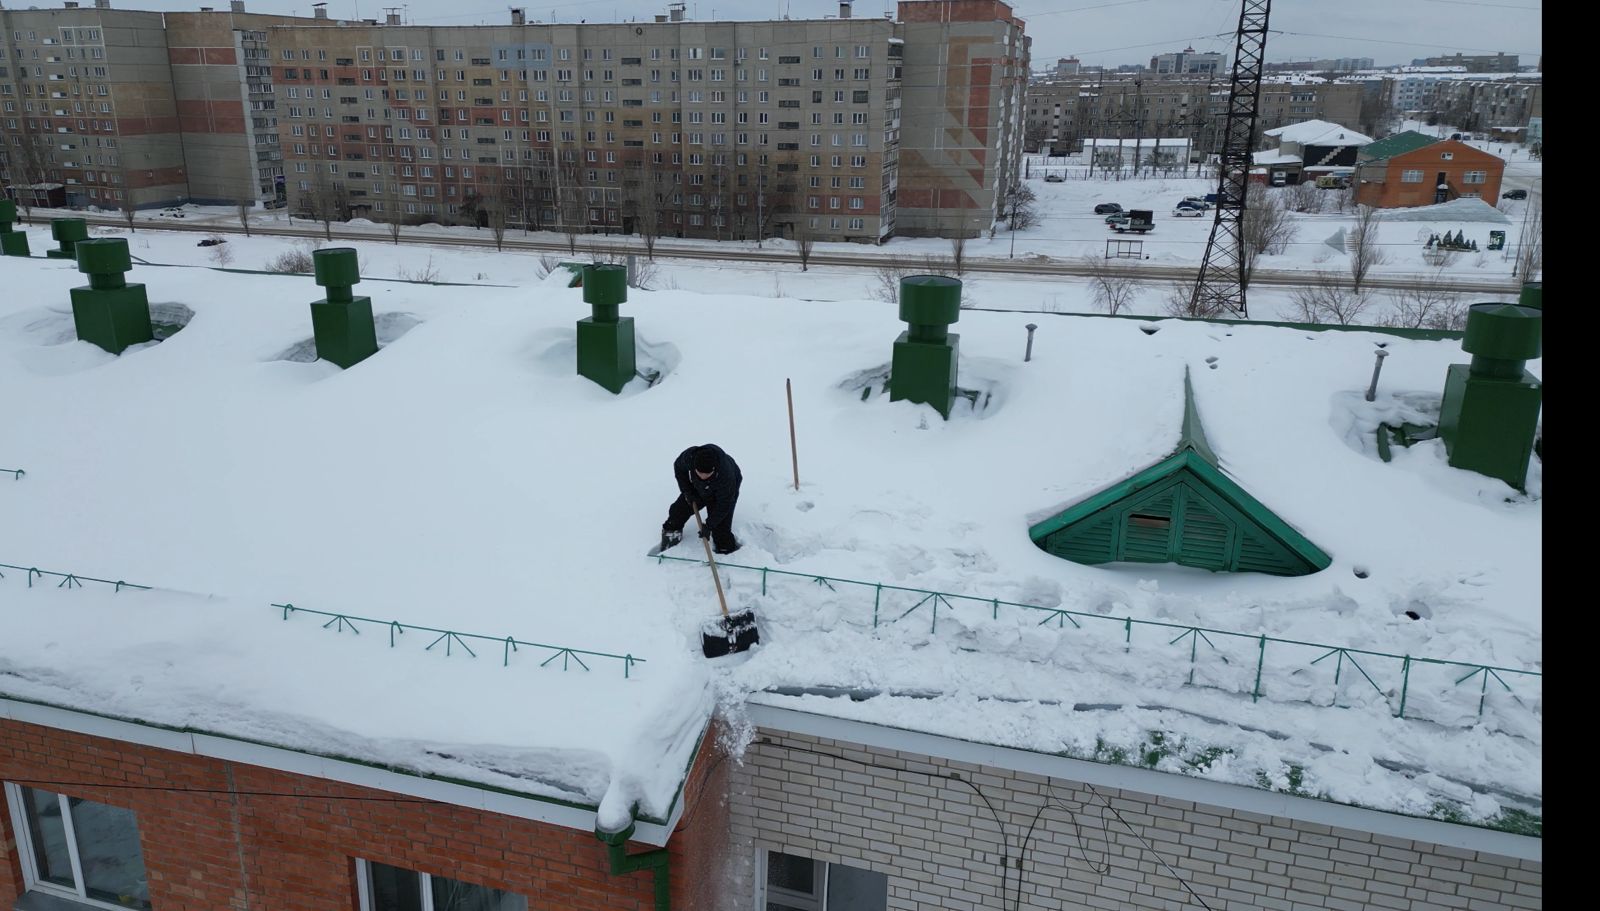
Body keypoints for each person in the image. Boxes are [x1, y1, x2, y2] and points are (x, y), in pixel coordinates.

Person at [660, 444, 743, 555]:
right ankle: (672, 535)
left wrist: (709, 525)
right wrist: (687, 491)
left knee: (721, 532)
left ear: (714, 468)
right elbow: (679, 468)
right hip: (697, 487)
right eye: (700, 473)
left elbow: (724, 504)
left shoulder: (726, 475)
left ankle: (726, 551)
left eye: (707, 474)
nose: (703, 477)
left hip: (723, 491)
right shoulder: (689, 457)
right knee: (678, 511)